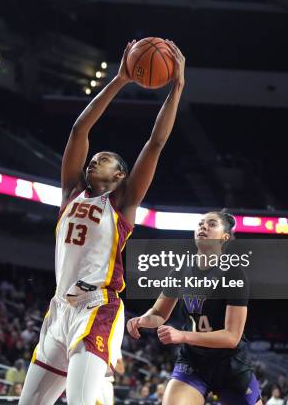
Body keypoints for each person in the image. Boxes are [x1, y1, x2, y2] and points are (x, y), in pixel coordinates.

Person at [19, 39, 185, 405]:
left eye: (104, 159)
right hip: (59, 309)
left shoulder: (123, 203)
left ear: (122, 175)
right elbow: (80, 129)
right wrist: (120, 79)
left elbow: (155, 143)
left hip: (98, 307)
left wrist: (177, 87)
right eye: (93, 159)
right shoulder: (70, 193)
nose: (94, 160)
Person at [127, 211, 262, 405]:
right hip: (193, 361)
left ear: (224, 237)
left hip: (229, 364)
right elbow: (158, 313)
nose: (203, 226)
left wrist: (182, 336)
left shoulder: (234, 274)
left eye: (212, 224)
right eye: (200, 223)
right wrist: (143, 319)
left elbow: (232, 337)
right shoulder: (180, 270)